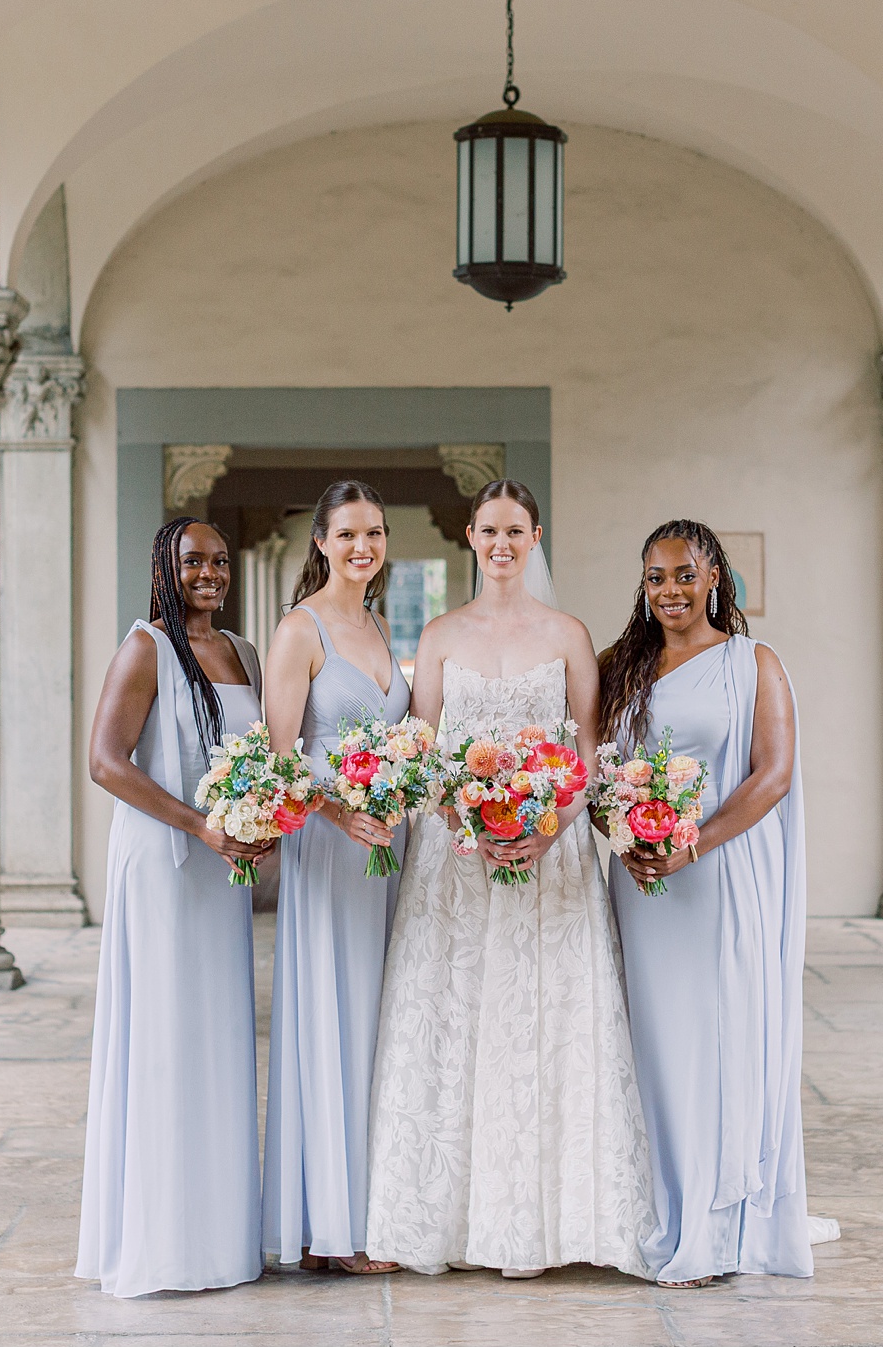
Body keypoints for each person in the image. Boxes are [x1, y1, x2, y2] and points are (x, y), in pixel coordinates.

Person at [366, 479, 656, 1281]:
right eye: (489, 530)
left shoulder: (568, 634)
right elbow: (425, 753)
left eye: (514, 531)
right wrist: (469, 822)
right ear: (470, 536)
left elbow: (588, 750)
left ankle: (550, 1223)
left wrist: (548, 826)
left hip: (550, 851)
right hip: (456, 859)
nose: (501, 544)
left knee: (544, 1021)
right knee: (456, 1019)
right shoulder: (440, 634)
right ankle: (448, 1220)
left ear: (535, 537)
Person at [596, 520, 817, 1289]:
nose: (671, 590)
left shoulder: (754, 663)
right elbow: (595, 771)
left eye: (685, 574)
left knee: (719, 1040)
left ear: (714, 574)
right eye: (656, 577)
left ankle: (718, 1228)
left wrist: (693, 844)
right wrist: (622, 834)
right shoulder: (620, 666)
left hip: (722, 878)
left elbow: (772, 773)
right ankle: (664, 1207)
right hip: (643, 886)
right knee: (656, 1047)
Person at [76, 518, 270, 1296]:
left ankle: (219, 1241)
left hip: (222, 874)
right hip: (164, 864)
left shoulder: (244, 653)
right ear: (165, 563)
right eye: (194, 560)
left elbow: (255, 759)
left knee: (217, 1040)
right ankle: (158, 1244)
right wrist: (200, 825)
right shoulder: (145, 646)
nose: (210, 572)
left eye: (220, 561)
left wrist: (260, 821)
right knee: (163, 1039)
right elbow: (105, 761)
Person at [261, 480, 412, 1274]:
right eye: (348, 533)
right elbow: (278, 757)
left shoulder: (381, 626)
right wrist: (339, 812)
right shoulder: (301, 629)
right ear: (320, 540)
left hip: (386, 844)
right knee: (335, 1013)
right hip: (331, 845)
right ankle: (335, 1229)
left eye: (374, 533)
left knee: (377, 1018)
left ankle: (349, 1212)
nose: (363, 546)